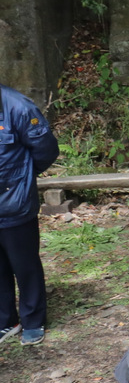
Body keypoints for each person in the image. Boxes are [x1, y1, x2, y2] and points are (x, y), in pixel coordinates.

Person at [0, 84, 59, 347]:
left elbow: (46, 150)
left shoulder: (18, 106)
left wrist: (22, 179)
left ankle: (33, 321)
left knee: (24, 265)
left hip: (15, 202)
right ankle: (6, 321)